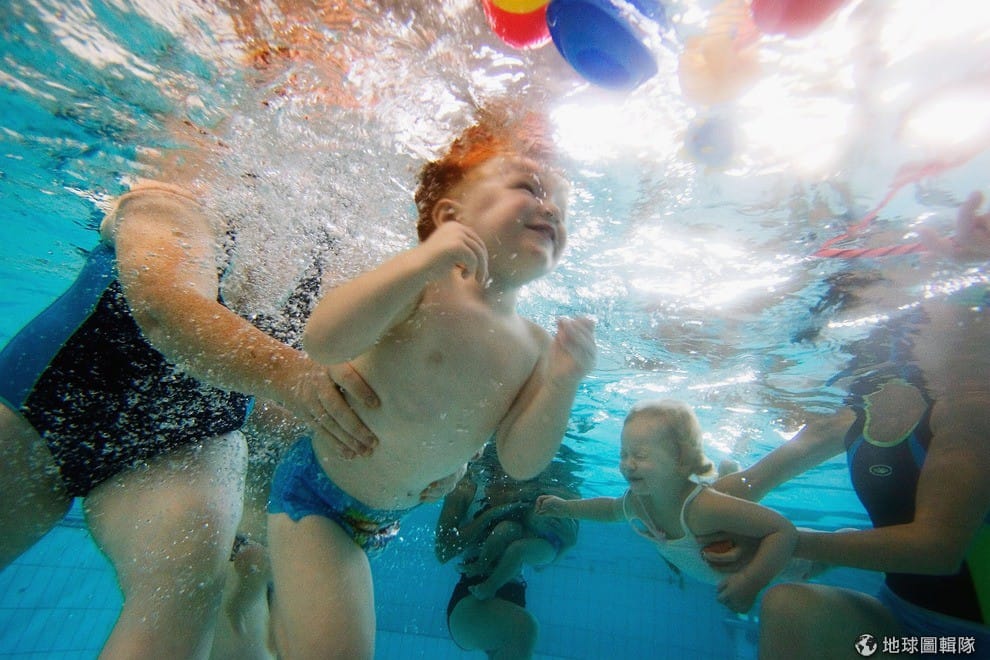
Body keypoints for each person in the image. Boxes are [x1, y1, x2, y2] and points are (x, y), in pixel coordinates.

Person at [265, 106, 597, 659]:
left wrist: (564, 382)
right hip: (317, 494)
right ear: (450, 217)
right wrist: (422, 261)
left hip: (386, 517)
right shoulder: (423, 286)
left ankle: (263, 613)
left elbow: (520, 461)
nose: (551, 210)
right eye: (529, 187)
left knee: (307, 636)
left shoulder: (539, 348)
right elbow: (322, 341)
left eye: (561, 207)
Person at [0, 180, 380, 659]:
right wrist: (299, 382)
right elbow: (165, 310)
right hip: (48, 401)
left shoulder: (348, 264)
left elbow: (292, 408)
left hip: (189, 440)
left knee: (183, 589)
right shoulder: (182, 193)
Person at [706, 192, 990, 657]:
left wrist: (787, 544)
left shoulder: (970, 407)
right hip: (899, 625)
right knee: (790, 606)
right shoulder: (856, 415)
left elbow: (937, 548)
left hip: (968, 639)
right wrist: (676, 506)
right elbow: (747, 485)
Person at [536, 400, 820, 614]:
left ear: (681, 460)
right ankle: (729, 476)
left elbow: (783, 531)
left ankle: (735, 474)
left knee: (826, 559)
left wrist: (751, 581)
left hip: (789, 563)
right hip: (729, 557)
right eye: (623, 454)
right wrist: (566, 508)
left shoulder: (701, 507)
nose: (628, 464)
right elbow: (610, 510)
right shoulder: (639, 502)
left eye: (640, 455)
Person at [435, 444, 580, 659]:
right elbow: (442, 552)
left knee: (521, 633)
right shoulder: (467, 485)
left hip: (514, 595)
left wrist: (568, 544)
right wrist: (489, 516)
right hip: (470, 598)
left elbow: (539, 564)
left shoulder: (534, 493)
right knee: (525, 629)